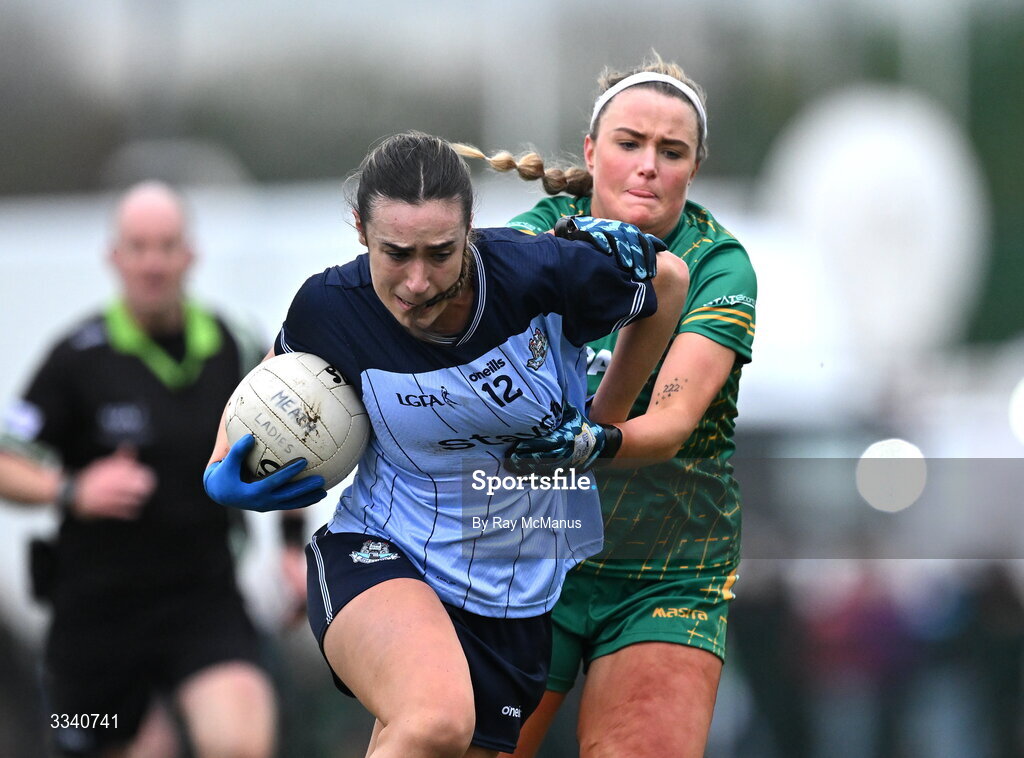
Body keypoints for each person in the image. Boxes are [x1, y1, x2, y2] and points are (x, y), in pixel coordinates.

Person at [202, 131, 690, 758]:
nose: (417, 281)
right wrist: (221, 469)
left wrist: (600, 424)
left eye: (440, 253)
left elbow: (667, 283)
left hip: (514, 593)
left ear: (470, 231)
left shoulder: (535, 275)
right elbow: (267, 394)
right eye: (395, 253)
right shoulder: (331, 306)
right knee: (434, 719)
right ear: (360, 231)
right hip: (382, 550)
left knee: (428, 738)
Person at [458, 52, 757, 758]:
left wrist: (593, 441)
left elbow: (674, 420)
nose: (649, 165)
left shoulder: (719, 264)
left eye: (671, 151)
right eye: (630, 143)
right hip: (529, 555)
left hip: (667, 571)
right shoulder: (537, 235)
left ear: (694, 168)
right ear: (593, 154)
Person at [0, 181, 277, 758]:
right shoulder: (76, 359)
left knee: (240, 743)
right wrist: (70, 488)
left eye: (167, 245)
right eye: (138, 246)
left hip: (203, 599)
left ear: (190, 254)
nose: (153, 263)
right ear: (114, 257)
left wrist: (296, 547)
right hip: (95, 618)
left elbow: (293, 440)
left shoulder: (235, 345)